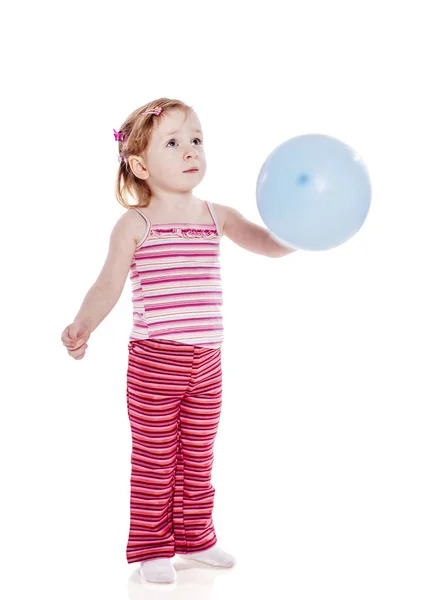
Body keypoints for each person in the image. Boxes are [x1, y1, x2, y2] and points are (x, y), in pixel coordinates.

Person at [60, 97, 296, 584]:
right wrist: (83, 325)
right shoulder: (136, 224)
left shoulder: (217, 215)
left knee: (198, 454)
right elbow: (108, 285)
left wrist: (299, 230)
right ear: (141, 163)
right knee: (154, 458)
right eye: (174, 142)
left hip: (208, 363)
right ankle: (152, 544)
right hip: (155, 364)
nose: (191, 150)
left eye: (196, 140)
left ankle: (195, 538)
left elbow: (268, 244)